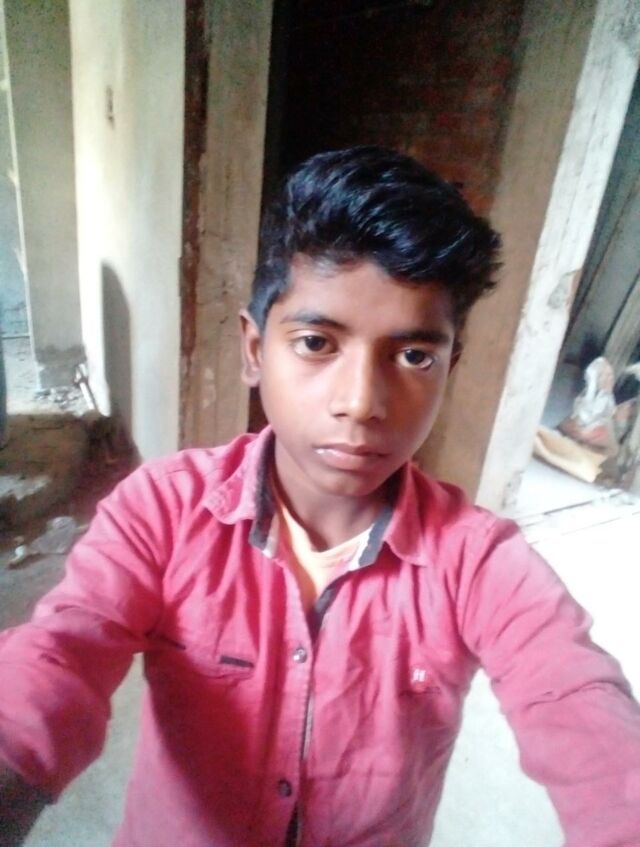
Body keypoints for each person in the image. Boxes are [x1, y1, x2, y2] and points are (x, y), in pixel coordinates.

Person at [1, 146, 639, 847]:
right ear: (254, 350)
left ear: (449, 367)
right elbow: (57, 657)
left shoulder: (477, 559)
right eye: (315, 342)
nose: (361, 402)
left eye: (414, 356)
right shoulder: (162, 509)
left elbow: (576, 696)